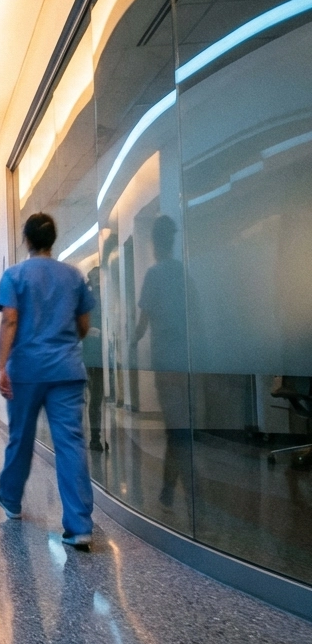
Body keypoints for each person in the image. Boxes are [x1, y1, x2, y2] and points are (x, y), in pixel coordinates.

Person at [0, 213, 96, 549]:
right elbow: (83, 325)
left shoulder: (15, 275)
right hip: (66, 371)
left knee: (20, 439)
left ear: (26, 240)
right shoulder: (73, 276)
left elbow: (9, 320)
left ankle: (10, 500)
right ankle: (79, 525)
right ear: (52, 239)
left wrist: (2, 367)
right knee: (71, 444)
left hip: (27, 371)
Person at [132, 215, 191, 508]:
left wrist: (129, 346)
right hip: (187, 359)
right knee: (183, 427)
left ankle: (171, 489)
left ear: (156, 243)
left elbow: (142, 324)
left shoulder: (154, 275)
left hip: (166, 359)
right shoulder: (182, 273)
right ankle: (177, 490)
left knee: (175, 427)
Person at [83, 267, 104, 451]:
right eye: (95, 277)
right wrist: (88, 331)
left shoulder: (107, 294)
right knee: (95, 397)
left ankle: (99, 435)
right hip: (90, 353)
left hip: (105, 351)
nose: (98, 280)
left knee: (99, 396)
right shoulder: (86, 298)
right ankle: (95, 437)